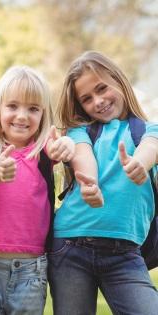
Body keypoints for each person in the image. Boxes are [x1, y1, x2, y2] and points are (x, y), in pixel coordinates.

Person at [0, 65, 75, 315]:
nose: (22, 116)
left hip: (32, 270)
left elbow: (64, 146)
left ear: (43, 114)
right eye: (12, 106)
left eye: (33, 109)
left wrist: (65, 144)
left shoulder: (43, 151)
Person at [49, 50, 158, 314]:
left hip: (125, 253)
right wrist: (90, 186)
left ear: (119, 81)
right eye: (87, 99)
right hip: (70, 244)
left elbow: (150, 148)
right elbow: (84, 159)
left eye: (102, 89)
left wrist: (138, 165)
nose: (98, 101)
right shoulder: (79, 132)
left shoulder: (148, 130)